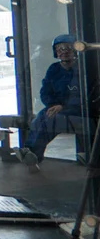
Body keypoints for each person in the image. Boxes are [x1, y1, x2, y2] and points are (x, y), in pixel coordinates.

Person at [19, 35, 84, 171]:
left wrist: (63, 106)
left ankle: (33, 154)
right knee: (39, 119)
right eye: (60, 49)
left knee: (51, 121)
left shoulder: (82, 68)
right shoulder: (54, 69)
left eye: (67, 48)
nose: (64, 52)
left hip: (78, 111)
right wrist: (52, 105)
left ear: (75, 50)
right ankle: (29, 151)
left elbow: (84, 95)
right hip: (57, 107)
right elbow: (45, 91)